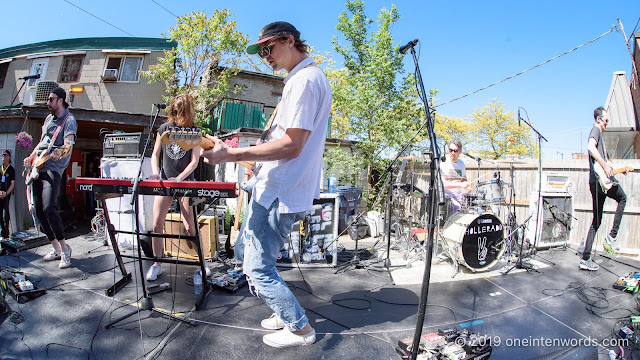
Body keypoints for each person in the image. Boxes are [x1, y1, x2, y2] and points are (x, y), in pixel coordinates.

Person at [201, 21, 331, 348]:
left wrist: (231, 153)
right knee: (264, 260)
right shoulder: (304, 79)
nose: (264, 57)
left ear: (289, 41)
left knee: (256, 268)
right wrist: (257, 164)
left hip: (280, 193)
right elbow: (284, 143)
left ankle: (300, 328)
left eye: (267, 49)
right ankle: (283, 308)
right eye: (261, 52)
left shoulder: (304, 81)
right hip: (278, 187)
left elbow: (292, 144)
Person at [145, 94, 209, 281]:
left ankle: (202, 263)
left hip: (185, 183)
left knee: (190, 226)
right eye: (174, 110)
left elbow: (195, 161)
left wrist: (180, 179)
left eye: (179, 110)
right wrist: (156, 173)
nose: (176, 113)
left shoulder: (193, 131)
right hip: (165, 181)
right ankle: (157, 263)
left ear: (186, 111)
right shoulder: (165, 129)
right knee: (157, 224)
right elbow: (155, 154)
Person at [23, 87, 77, 269]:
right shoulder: (48, 119)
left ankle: (65, 250)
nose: (47, 102)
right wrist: (31, 157)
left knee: (49, 207)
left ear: (60, 100)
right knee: (38, 210)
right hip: (39, 165)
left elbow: (68, 144)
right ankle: (56, 248)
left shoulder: (69, 120)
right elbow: (42, 141)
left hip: (53, 167)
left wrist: (59, 153)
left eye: (50, 99)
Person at [579, 106, 627, 271]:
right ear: (599, 119)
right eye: (606, 120)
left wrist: (615, 170)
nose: (607, 123)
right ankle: (612, 236)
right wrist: (605, 165)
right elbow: (591, 148)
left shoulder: (600, 135)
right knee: (623, 198)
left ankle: (585, 259)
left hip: (596, 183)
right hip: (600, 183)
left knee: (596, 221)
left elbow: (604, 167)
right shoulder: (596, 130)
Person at [440, 139, 472, 214]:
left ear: (460, 152)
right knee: (457, 207)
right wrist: (460, 184)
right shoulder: (444, 163)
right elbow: (443, 184)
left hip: (457, 194)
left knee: (469, 208)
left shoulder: (461, 164)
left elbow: (463, 179)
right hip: (445, 195)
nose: (452, 153)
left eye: (455, 151)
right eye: (450, 150)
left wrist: (467, 186)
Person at [0, 150, 15, 239]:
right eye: (2, 155)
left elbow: (12, 184)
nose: (3, 157)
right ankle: (2, 233)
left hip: (6, 194)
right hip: (0, 193)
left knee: (6, 215)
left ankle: (6, 234)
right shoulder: (0, 168)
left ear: (8, 157)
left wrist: (6, 193)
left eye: (5, 155)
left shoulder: (11, 170)